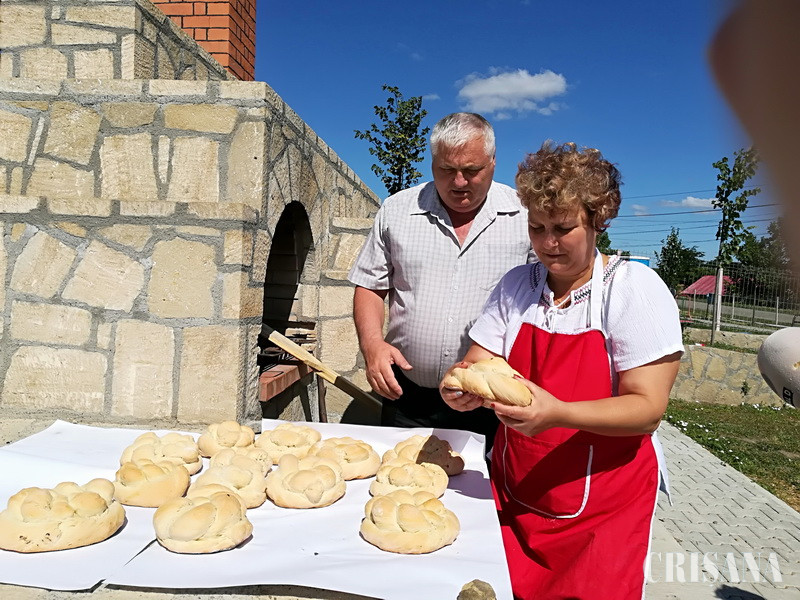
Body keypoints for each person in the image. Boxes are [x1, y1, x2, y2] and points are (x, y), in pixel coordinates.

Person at [440, 142, 684, 599]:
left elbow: (647, 409)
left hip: (604, 507)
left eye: (563, 228)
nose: (548, 243)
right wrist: (459, 390)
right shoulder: (518, 286)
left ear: (598, 220)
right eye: (537, 227)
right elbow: (478, 363)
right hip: (518, 489)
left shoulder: (632, 290)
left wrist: (558, 414)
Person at [348, 112, 533, 446]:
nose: (459, 182)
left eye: (472, 171)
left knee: (484, 480)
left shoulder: (526, 216)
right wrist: (372, 344)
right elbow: (371, 286)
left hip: (491, 400)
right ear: (432, 163)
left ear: (493, 162)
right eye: (447, 170)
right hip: (407, 395)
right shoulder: (397, 210)